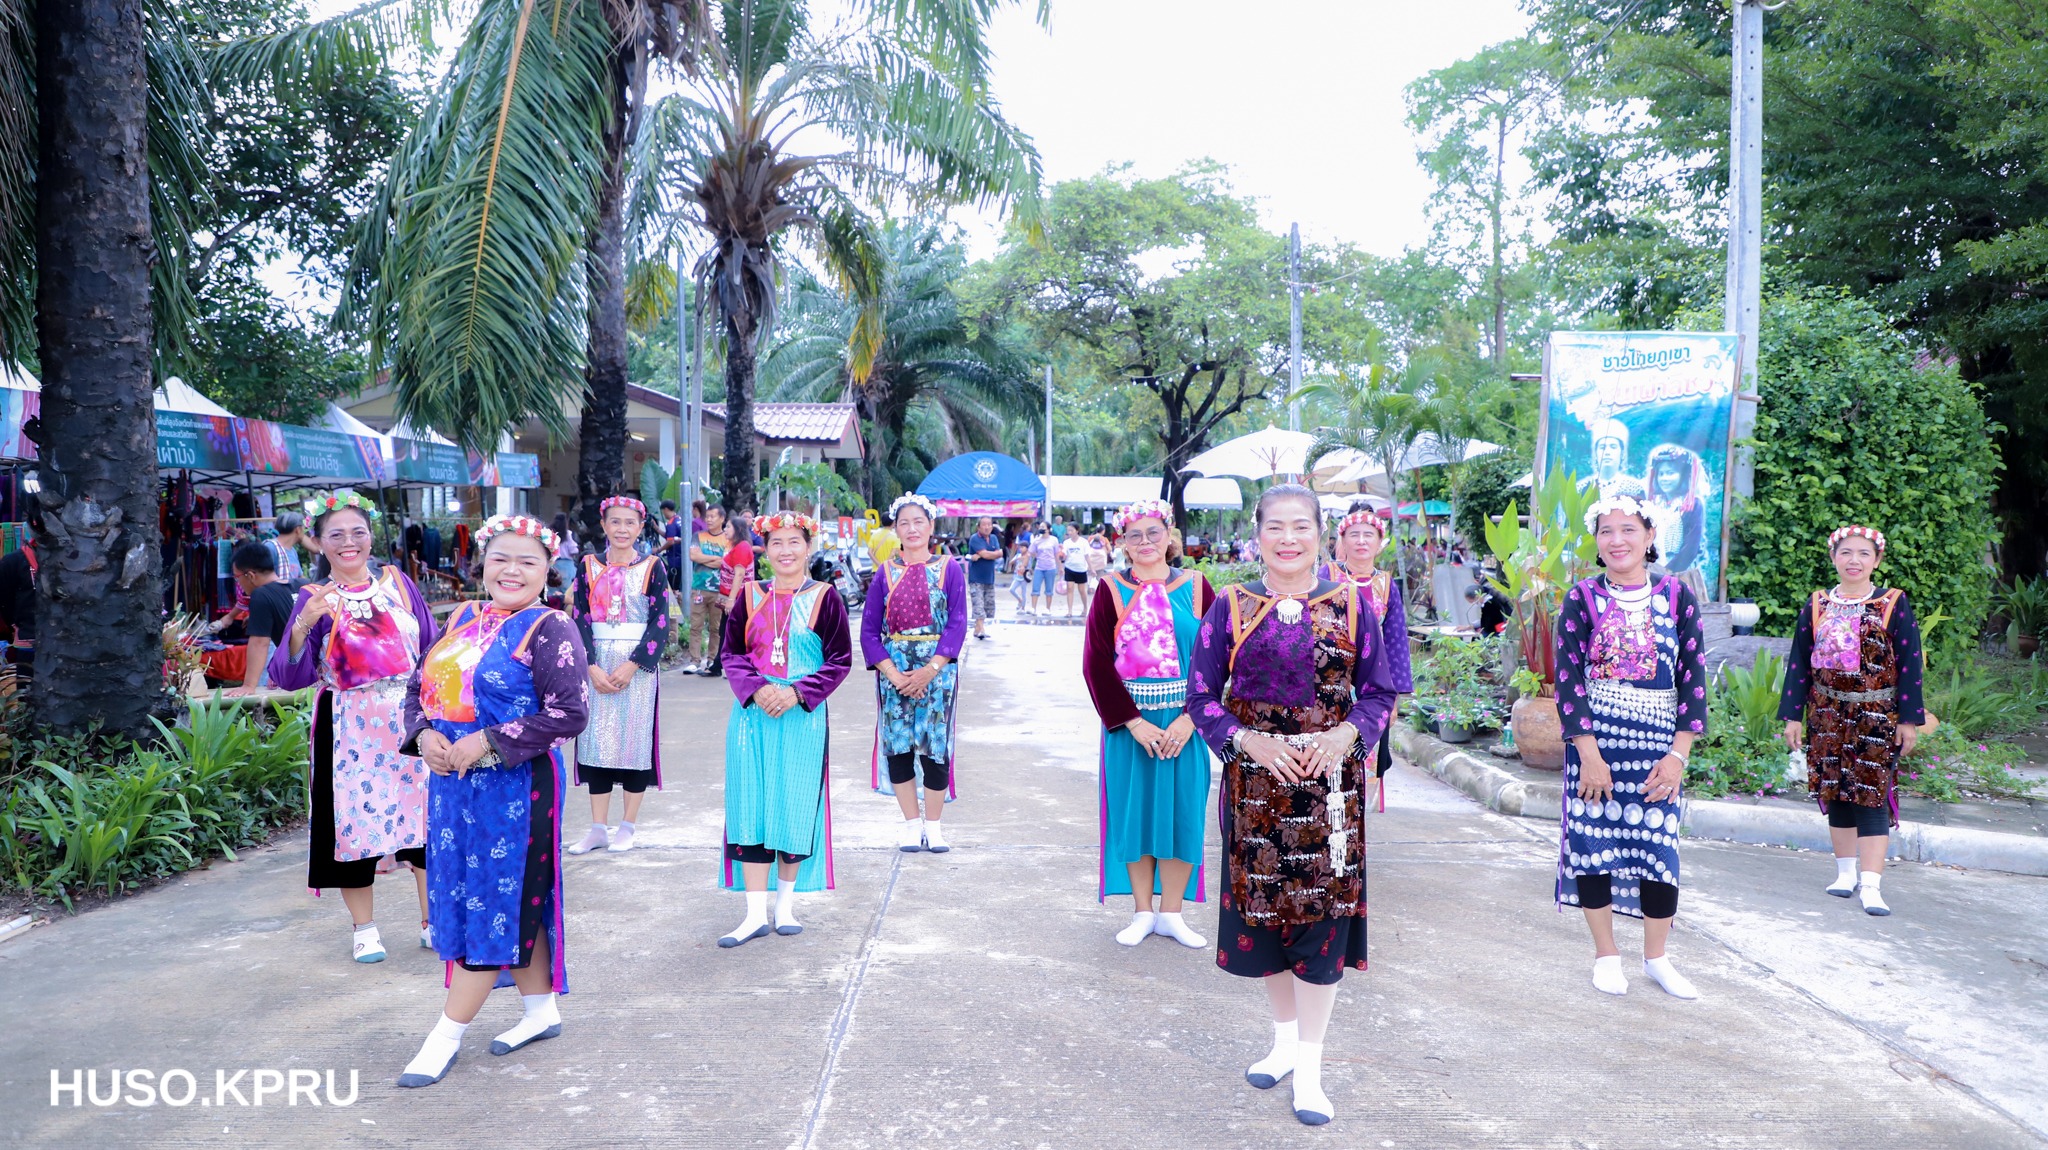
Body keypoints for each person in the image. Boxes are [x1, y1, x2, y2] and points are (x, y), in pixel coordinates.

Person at [1185, 484, 1397, 1127]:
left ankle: (1310, 1068)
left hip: (1330, 794)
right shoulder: (1230, 605)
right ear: (1257, 536)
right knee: (1265, 918)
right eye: (1275, 526)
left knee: (1320, 923)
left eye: (1300, 526)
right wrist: (1247, 740)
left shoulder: (1351, 604)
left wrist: (1343, 736)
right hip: (1255, 792)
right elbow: (1201, 697)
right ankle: (1282, 1042)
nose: (1288, 538)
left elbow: (1380, 691)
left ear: (1319, 534)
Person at [395, 515, 590, 1088]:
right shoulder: (461, 618)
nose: (512, 571)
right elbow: (416, 689)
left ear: (548, 570)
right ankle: (540, 1011)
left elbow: (570, 713)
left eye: (528, 561)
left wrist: (488, 740)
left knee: (496, 901)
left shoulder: (551, 628)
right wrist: (423, 735)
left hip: (516, 788)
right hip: (451, 788)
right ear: (483, 561)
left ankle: (445, 1036)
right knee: (479, 895)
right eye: (501, 558)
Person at [268, 491, 438, 964]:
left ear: (371, 537)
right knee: (354, 826)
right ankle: (365, 928)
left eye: (358, 532)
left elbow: (431, 648)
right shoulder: (312, 597)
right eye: (336, 534)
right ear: (318, 542)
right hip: (349, 725)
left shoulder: (398, 583)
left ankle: (434, 921)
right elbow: (288, 675)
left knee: (426, 823)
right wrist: (303, 625)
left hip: (410, 718)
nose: (349, 542)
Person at [1553, 495, 1706, 1000]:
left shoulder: (1678, 597)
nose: (1616, 540)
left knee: (1659, 850)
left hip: (1659, 750)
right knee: (1593, 848)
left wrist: (1678, 756)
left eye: (1628, 529)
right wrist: (1588, 755)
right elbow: (1568, 681)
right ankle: (1606, 956)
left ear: (1650, 536)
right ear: (1596, 541)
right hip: (1596, 747)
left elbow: (1694, 680)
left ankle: (1657, 958)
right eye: (1606, 531)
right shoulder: (1582, 599)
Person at [1082, 499, 1216, 949]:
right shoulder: (1110, 589)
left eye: (1153, 532)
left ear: (1169, 535)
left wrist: (1192, 719)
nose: (1145, 542)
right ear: (1122, 542)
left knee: (1183, 814)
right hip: (1131, 728)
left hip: (1184, 725)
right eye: (1134, 535)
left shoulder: (1196, 586)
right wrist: (1132, 723)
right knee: (1133, 815)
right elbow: (1096, 663)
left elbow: (1219, 657)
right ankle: (1142, 912)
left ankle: (1172, 914)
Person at [717, 512, 854, 946]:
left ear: (808, 547)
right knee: (750, 803)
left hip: (802, 718)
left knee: (794, 802)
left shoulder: (825, 598)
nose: (786, 551)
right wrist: (757, 690)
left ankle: (785, 905)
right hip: (752, 716)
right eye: (776, 542)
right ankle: (754, 914)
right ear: (765, 549)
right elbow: (731, 653)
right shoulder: (749, 595)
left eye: (794, 542)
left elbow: (840, 660)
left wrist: (797, 692)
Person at [1777, 525, 1923, 916]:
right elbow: (1799, 663)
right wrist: (1792, 716)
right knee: (1835, 791)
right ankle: (1845, 874)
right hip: (1826, 715)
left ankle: (1871, 885)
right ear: (1833, 557)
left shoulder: (1892, 603)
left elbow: (1910, 665)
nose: (1853, 560)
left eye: (1863, 554)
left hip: (1875, 717)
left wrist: (1909, 720)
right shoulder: (1817, 604)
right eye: (1846, 553)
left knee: (1871, 796)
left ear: (1877, 560)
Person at [565, 497, 672, 857]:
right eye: (615, 522)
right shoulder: (587, 566)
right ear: (604, 525)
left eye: (630, 523)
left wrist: (634, 664)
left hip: (636, 667)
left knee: (633, 744)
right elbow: (579, 616)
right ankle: (598, 828)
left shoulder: (653, 567)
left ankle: (627, 826)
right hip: (596, 662)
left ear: (641, 528)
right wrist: (590, 666)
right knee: (595, 742)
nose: (622, 529)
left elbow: (660, 620)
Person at [862, 493, 968, 853]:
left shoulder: (949, 569)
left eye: (918, 522)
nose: (912, 529)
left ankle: (933, 826)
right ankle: (911, 824)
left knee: (934, 747)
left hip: (938, 672)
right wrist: (894, 675)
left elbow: (957, 623)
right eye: (904, 523)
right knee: (899, 748)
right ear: (896, 529)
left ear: (931, 526)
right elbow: (868, 631)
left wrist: (930, 670)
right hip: (894, 672)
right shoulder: (884, 573)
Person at [1318, 508, 1413, 808]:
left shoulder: (1386, 585)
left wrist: (1393, 698)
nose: (1361, 541)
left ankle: (1353, 812)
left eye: (1368, 535)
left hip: (1371, 681)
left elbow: (1395, 642)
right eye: (1354, 535)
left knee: (1363, 751)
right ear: (1343, 540)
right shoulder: (1327, 575)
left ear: (1379, 543)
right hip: (1327, 678)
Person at [226, 540, 297, 697]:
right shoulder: (299, 584)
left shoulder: (261, 595)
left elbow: (259, 643)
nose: (239, 583)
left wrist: (248, 686)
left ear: (250, 575)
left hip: (302, 674)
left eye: (237, 577)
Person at [1644, 443, 1708, 599]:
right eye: (1661, 474)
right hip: (1650, 571)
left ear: (1683, 475)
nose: (1664, 478)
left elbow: (1690, 548)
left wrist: (1666, 573)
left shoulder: (1691, 504)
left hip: (1680, 573)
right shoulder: (1651, 504)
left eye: (1670, 473)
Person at [0, 500, 43, 683]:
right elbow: (4, 601)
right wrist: (15, 625)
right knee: (27, 692)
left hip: (67, 644)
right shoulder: (12, 562)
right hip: (28, 640)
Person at [688, 505, 731, 675]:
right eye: (708, 516)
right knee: (695, 625)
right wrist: (716, 559)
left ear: (722, 518)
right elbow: (693, 556)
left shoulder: (728, 538)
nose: (709, 519)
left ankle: (712, 659)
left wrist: (704, 559)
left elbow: (726, 562)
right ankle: (694, 661)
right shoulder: (698, 536)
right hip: (699, 587)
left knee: (716, 627)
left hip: (720, 590)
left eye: (713, 516)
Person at [1576, 418, 1645, 500]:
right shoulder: (1581, 488)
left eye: (1613, 447)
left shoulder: (1633, 488)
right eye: (1602, 447)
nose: (1607, 452)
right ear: (1596, 453)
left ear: (1622, 453)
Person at [965, 516, 1003, 640]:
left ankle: (977, 628)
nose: (987, 527)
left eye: (989, 524)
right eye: (984, 524)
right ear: (978, 527)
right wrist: (989, 554)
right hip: (976, 578)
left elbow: (1000, 553)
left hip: (989, 578)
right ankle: (981, 629)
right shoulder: (975, 538)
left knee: (988, 605)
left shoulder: (993, 538)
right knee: (978, 604)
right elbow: (986, 554)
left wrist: (986, 554)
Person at [268, 510, 309, 587]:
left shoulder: (292, 551)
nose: (304, 532)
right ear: (298, 530)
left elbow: (300, 577)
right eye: (304, 528)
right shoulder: (271, 547)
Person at [1028, 523, 1060, 617]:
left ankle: (1048, 609)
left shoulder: (1054, 540)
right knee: (1035, 588)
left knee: (1049, 589)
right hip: (1039, 567)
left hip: (1050, 567)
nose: (1041, 528)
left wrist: (1060, 567)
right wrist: (1036, 556)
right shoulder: (1036, 540)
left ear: (1048, 529)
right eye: (1040, 527)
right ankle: (1033, 608)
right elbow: (1030, 551)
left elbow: (1056, 554)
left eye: (1043, 527)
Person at [1059, 530, 1090, 617]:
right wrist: (1061, 556)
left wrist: (1091, 568)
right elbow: (1063, 556)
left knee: (1082, 590)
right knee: (1069, 588)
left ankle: (1085, 608)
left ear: (1077, 531)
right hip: (1069, 567)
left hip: (1081, 568)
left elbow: (1087, 555)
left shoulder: (1083, 542)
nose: (1070, 532)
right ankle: (1070, 611)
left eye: (1071, 530)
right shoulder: (1066, 542)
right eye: (1068, 530)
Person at [660, 500, 685, 592]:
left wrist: (659, 550)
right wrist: (656, 528)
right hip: (682, 558)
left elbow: (670, 542)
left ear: (666, 509)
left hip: (675, 560)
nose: (663, 514)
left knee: (673, 586)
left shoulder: (671, 523)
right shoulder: (679, 519)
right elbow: (669, 536)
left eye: (663, 511)